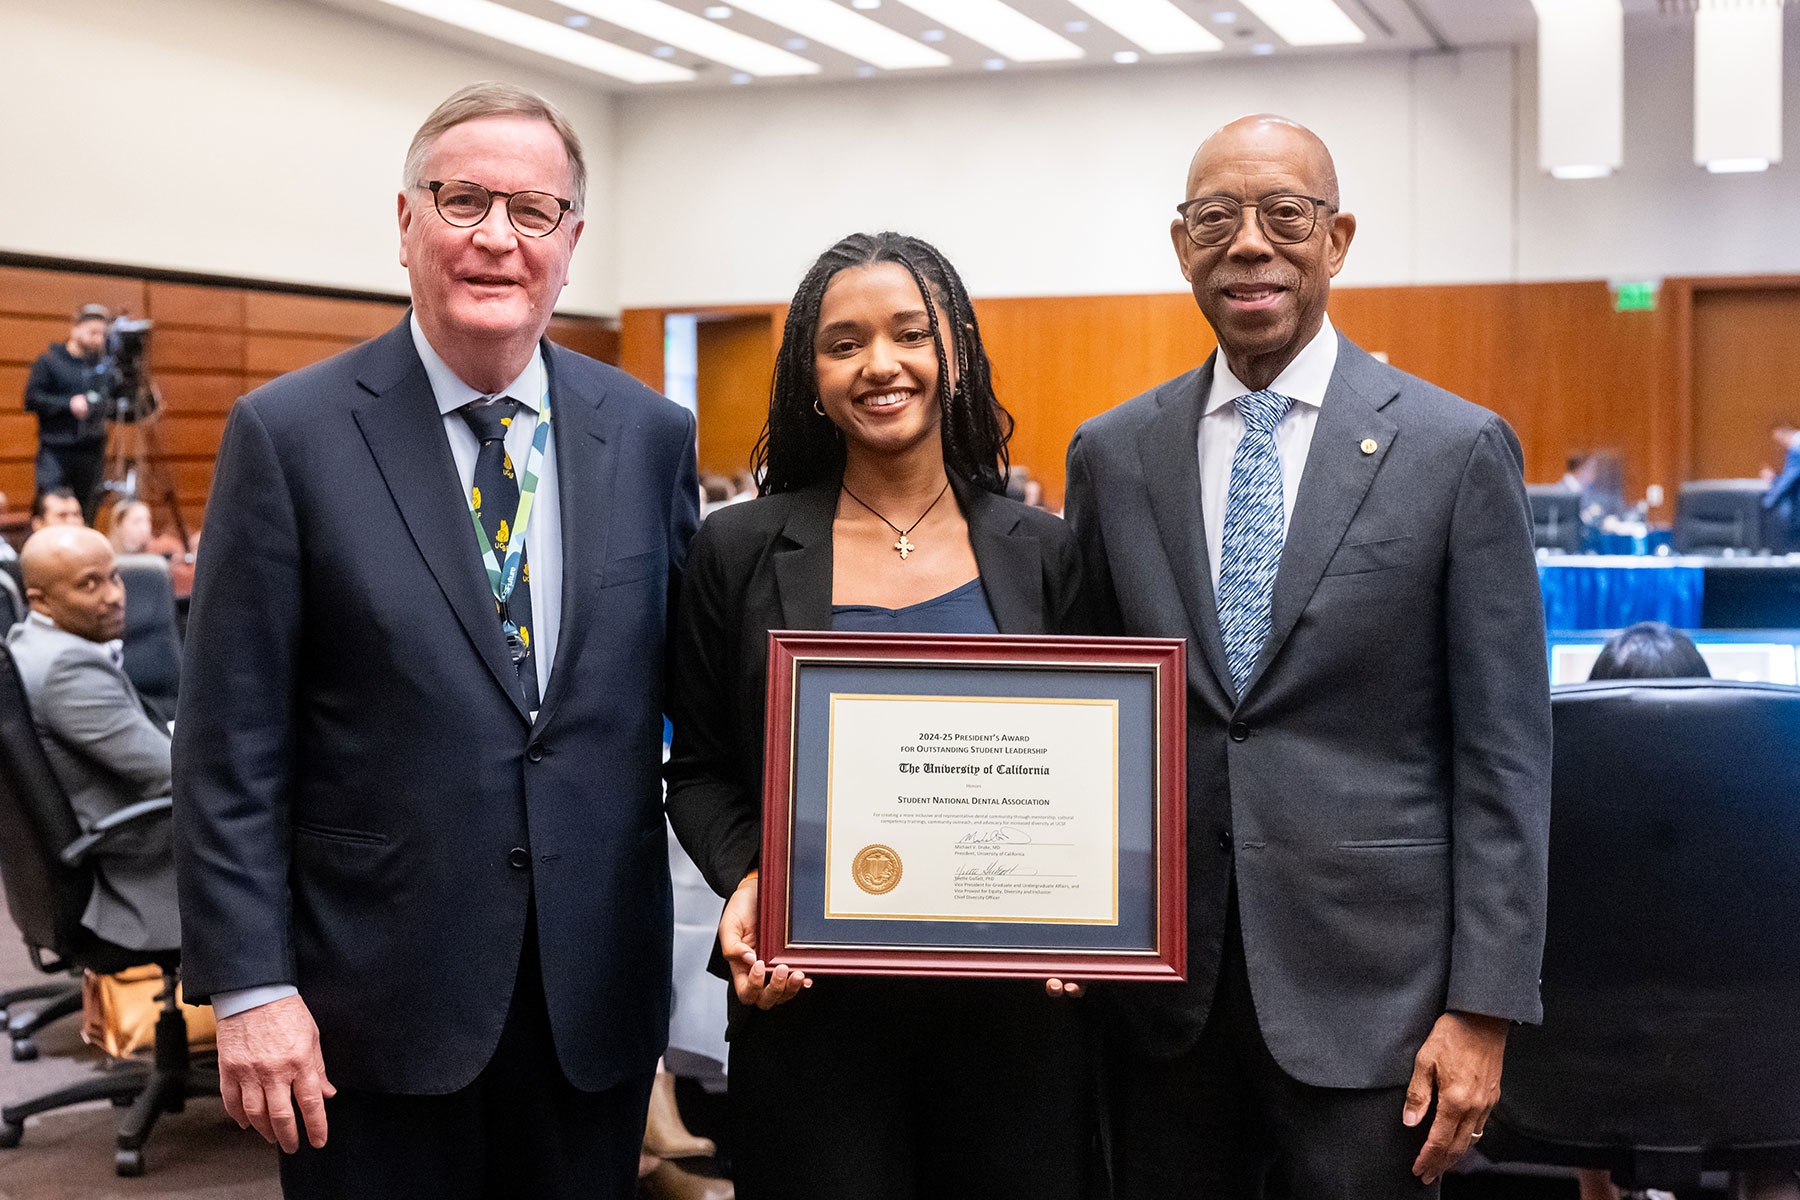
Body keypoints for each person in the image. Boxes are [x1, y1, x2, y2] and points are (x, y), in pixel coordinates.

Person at [172, 81, 699, 1200]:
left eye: (533, 211)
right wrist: (251, 989)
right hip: (370, 1007)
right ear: (406, 221)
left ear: (572, 242)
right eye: (464, 201)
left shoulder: (649, 436)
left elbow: (689, 704)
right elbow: (230, 747)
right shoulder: (290, 434)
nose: (497, 238)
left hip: (589, 1006)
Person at [1064, 114, 1552, 1198]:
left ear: (1337, 240)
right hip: (1163, 1005)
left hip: (1380, 1011)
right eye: (1214, 219)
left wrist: (1485, 1009)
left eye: (1285, 215)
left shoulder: (1454, 448)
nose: (1248, 244)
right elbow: (1088, 720)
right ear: (1180, 242)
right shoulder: (1112, 454)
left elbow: (1506, 756)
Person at [664, 232, 1092, 1200]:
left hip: (1014, 1021)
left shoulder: (1047, 553)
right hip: (811, 1012)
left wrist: (1094, 918)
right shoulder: (735, 551)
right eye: (844, 342)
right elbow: (697, 770)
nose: (881, 365)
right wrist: (752, 880)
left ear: (956, 355)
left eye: (909, 334)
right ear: (809, 376)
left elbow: (1098, 764)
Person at [7, 526, 179, 951]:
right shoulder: (69, 670)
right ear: (40, 599)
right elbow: (175, 776)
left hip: (96, 850)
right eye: (90, 584)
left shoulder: (27, 642)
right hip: (140, 870)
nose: (115, 595)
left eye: (114, 576)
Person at [25, 305, 113, 525]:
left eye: (102, 334)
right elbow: (32, 399)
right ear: (75, 329)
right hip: (56, 451)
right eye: (92, 332)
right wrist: (68, 404)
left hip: (91, 452)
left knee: (86, 514)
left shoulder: (102, 369)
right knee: (52, 508)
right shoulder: (49, 362)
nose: (98, 339)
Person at [1761, 424, 1800, 553]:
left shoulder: (1796, 447)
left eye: (1780, 441)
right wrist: (1775, 478)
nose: (1781, 446)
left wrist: (1769, 501)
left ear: (1785, 434)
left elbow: (1788, 480)